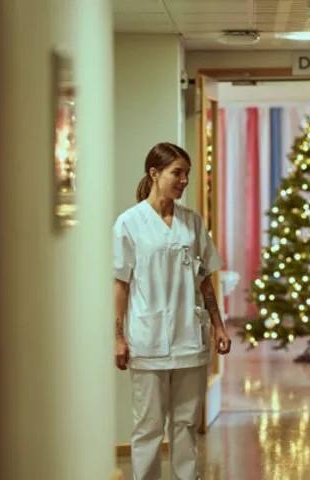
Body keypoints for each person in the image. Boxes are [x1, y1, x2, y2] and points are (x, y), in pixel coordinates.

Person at [113, 142, 231, 480]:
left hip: (189, 338)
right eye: (177, 173)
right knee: (148, 427)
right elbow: (120, 284)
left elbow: (205, 279)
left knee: (185, 425)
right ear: (154, 173)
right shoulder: (129, 223)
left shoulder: (192, 222)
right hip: (147, 340)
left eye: (186, 174)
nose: (184, 180)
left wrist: (218, 326)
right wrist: (117, 337)